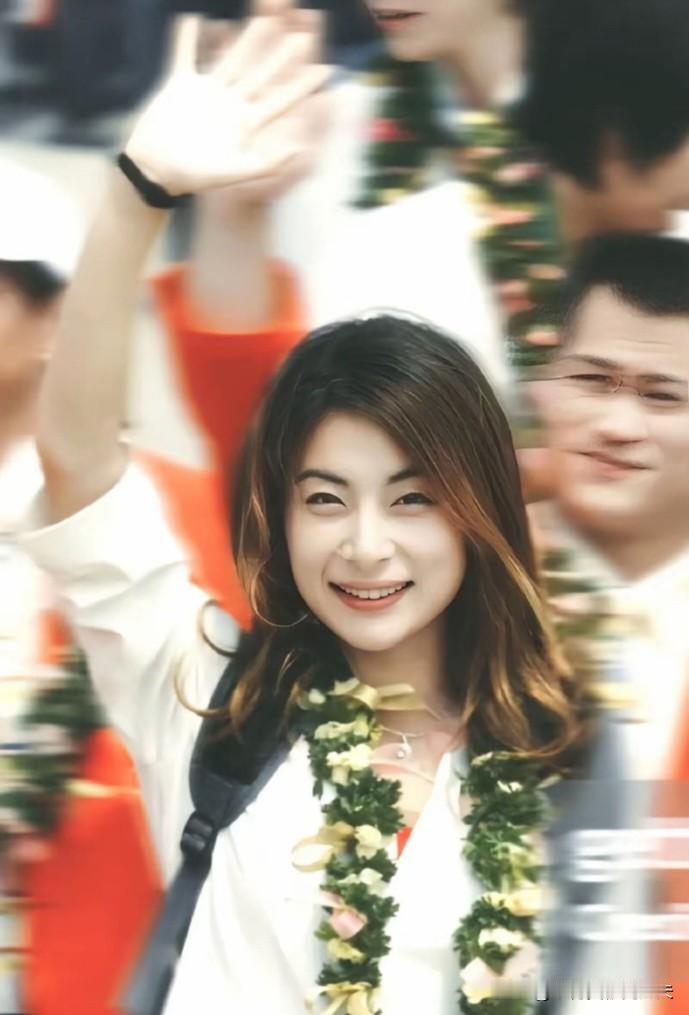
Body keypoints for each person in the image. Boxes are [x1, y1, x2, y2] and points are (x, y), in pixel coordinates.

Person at [17, 12, 630, 1014]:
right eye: (323, 498)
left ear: (478, 508)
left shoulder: (577, 756)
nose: (365, 544)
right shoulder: (210, 700)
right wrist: (139, 192)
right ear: (280, 518)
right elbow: (80, 459)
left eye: (412, 497)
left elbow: (619, 992)